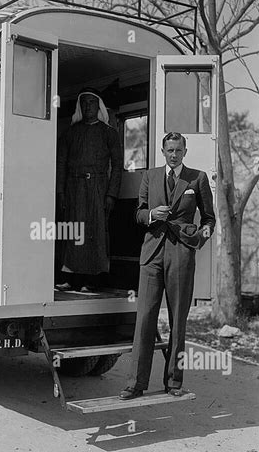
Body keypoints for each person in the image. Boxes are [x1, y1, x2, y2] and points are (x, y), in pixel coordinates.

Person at [119, 132, 216, 398]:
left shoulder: (197, 178)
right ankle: (136, 384)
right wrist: (151, 214)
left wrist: (197, 240)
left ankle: (173, 382)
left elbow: (210, 219)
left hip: (182, 255)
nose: (174, 154)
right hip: (152, 255)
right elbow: (138, 214)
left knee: (178, 321)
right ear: (162, 151)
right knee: (145, 319)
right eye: (169, 150)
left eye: (178, 150)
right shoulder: (150, 176)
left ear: (185, 150)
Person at [55, 88, 123, 292]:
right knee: (72, 229)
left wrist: (111, 194)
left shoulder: (108, 132)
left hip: (98, 187)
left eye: (92, 103)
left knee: (94, 231)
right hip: (74, 187)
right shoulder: (70, 133)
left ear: (99, 105)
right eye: (84, 103)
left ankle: (91, 280)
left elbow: (118, 165)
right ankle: (69, 278)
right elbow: (61, 163)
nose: (88, 106)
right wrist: (60, 191)